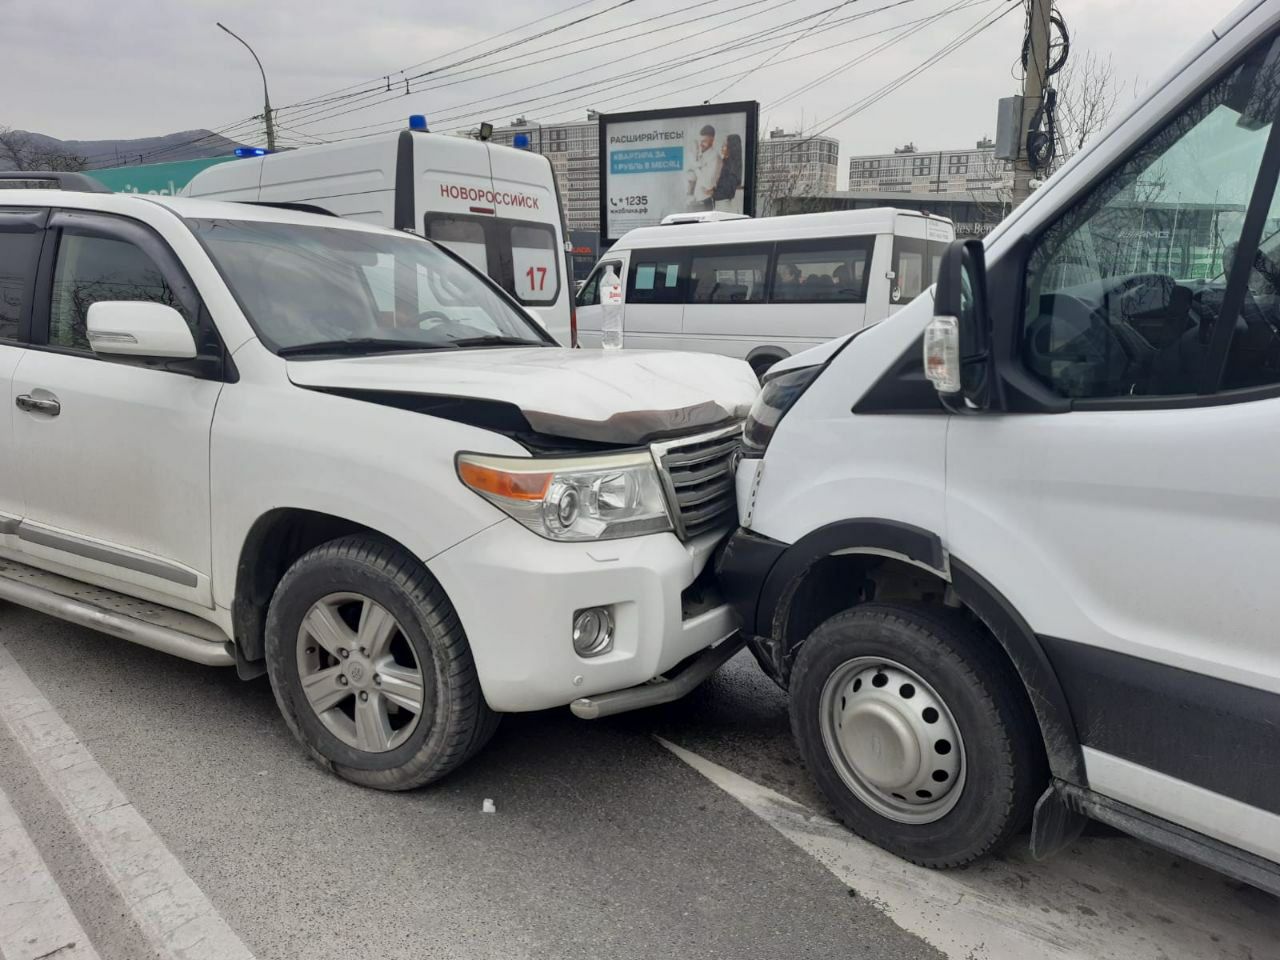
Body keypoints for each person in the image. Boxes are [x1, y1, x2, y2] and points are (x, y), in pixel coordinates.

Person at [687, 124, 720, 211]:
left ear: (712, 140)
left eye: (704, 141)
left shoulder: (715, 157)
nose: (701, 144)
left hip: (705, 203)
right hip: (694, 201)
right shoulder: (700, 154)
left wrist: (695, 167)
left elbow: (708, 185)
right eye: (700, 141)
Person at [712, 134, 743, 212]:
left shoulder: (731, 168)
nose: (722, 147)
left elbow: (727, 191)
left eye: (724, 145)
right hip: (720, 205)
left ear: (731, 148)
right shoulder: (725, 163)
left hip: (724, 206)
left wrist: (713, 192)